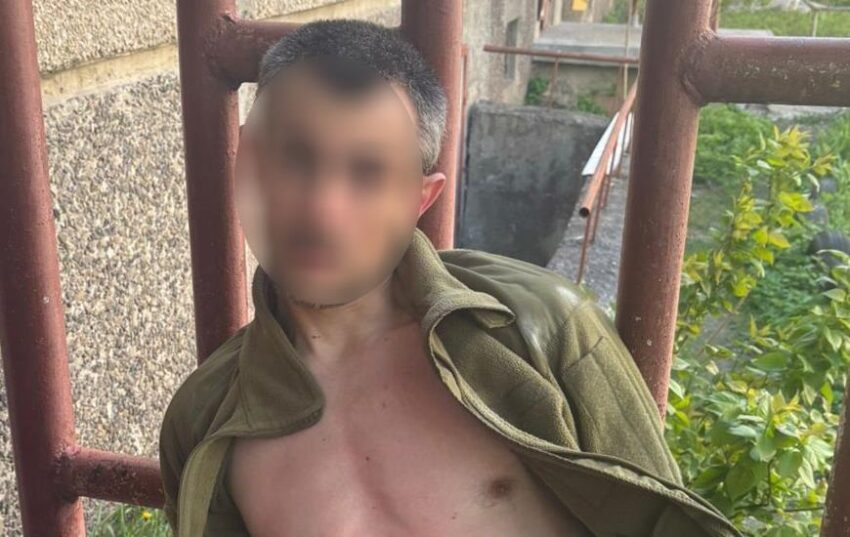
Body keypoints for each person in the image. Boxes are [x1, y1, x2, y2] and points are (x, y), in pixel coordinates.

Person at [158, 19, 741, 537]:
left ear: (420, 199)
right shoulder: (204, 422)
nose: (322, 210)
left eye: (367, 174)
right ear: (248, 162)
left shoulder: (542, 328)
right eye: (295, 158)